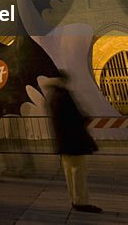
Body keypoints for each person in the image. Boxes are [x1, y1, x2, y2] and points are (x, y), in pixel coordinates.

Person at [48, 76, 102, 214]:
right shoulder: (64, 96)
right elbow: (73, 118)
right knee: (78, 169)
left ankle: (74, 199)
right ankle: (81, 201)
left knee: (69, 170)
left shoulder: (53, 96)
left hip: (64, 141)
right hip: (73, 140)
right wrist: (84, 119)